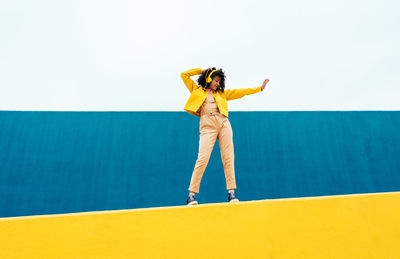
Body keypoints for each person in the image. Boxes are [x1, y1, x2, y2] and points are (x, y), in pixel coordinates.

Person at [180, 67, 270, 205]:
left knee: (228, 157)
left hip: (223, 124)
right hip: (207, 126)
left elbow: (240, 92)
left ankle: (231, 193)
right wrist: (202, 70)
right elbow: (184, 75)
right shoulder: (196, 90)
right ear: (209, 79)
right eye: (215, 80)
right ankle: (191, 195)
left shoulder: (222, 94)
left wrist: (259, 88)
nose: (217, 83)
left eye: (219, 81)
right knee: (202, 159)